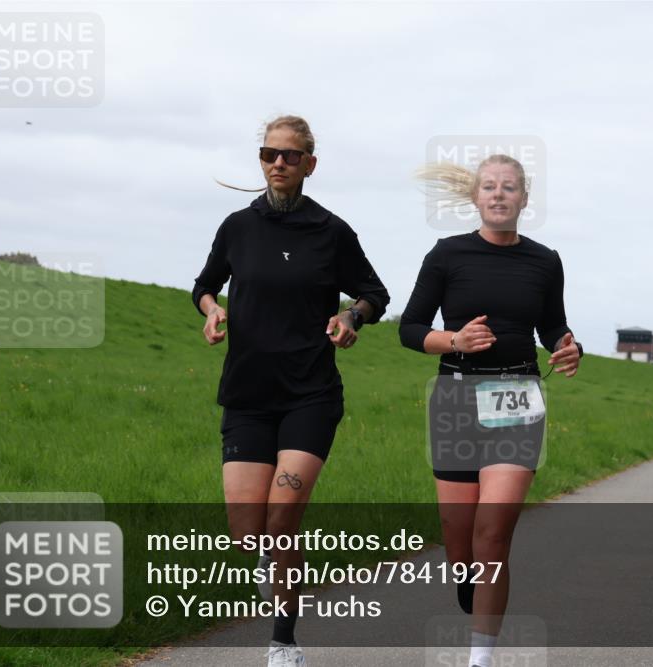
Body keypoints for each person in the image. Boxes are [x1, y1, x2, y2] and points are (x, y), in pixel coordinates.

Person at [192, 115, 390, 667]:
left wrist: (351, 316)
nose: (278, 163)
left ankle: (284, 643)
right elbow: (205, 285)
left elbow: (375, 293)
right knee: (246, 533)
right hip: (248, 395)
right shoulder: (237, 226)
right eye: (269, 154)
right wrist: (212, 311)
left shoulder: (331, 231)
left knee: (282, 521)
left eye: (290, 155)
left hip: (310, 395)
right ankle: (273, 564)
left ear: (310, 164)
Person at [399, 155, 581, 667]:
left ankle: (480, 658)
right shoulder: (447, 255)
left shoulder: (545, 261)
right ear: (475, 197)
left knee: (493, 533)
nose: (499, 194)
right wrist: (453, 340)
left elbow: (554, 327)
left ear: (524, 198)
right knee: (459, 541)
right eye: (489, 187)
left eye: (509, 187)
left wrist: (568, 347)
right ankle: (468, 579)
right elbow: (410, 328)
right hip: (456, 399)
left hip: (517, 398)